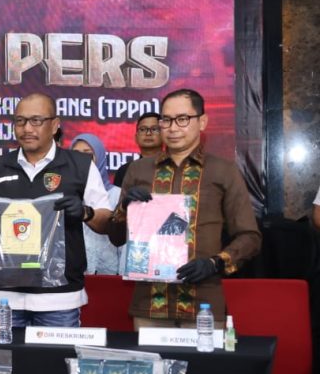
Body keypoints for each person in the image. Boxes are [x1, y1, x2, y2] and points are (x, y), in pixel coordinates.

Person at [109, 89, 260, 328]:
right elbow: (116, 238)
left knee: (204, 356)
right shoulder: (138, 170)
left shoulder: (223, 171)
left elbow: (250, 236)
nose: (172, 128)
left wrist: (215, 263)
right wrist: (124, 209)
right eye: (166, 120)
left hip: (203, 303)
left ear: (202, 121)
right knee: (151, 355)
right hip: (150, 303)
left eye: (182, 119)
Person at [0, 93, 113, 328]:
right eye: (20, 121)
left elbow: (106, 221)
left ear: (55, 125)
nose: (27, 128)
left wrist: (86, 213)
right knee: (6, 353)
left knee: (56, 354)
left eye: (36, 120)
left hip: (59, 297)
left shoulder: (80, 165)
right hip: (6, 294)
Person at [70, 133, 122, 275]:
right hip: (72, 272)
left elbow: (122, 240)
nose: (81, 161)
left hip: (108, 274)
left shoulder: (117, 194)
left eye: (87, 155)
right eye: (76, 155)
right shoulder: (64, 193)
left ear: (99, 157)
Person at [113, 113, 162, 187]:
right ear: (136, 138)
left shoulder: (173, 167)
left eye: (154, 129)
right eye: (142, 129)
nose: (148, 133)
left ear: (164, 135)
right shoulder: (125, 170)